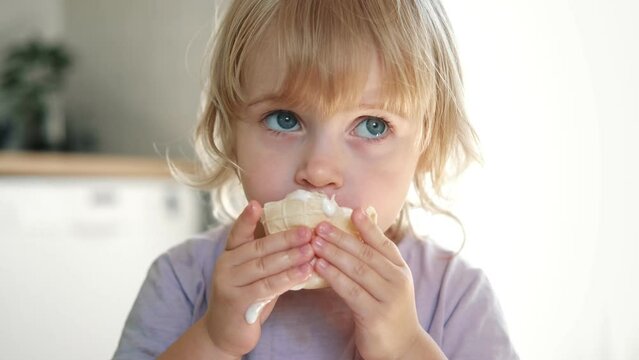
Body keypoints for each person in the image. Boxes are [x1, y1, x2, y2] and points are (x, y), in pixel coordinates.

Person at [113, 0, 519, 359]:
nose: (320, 170)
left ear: (426, 143)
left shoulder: (457, 297)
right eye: (284, 119)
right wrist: (215, 342)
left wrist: (406, 349)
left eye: (373, 126)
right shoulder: (183, 280)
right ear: (230, 131)